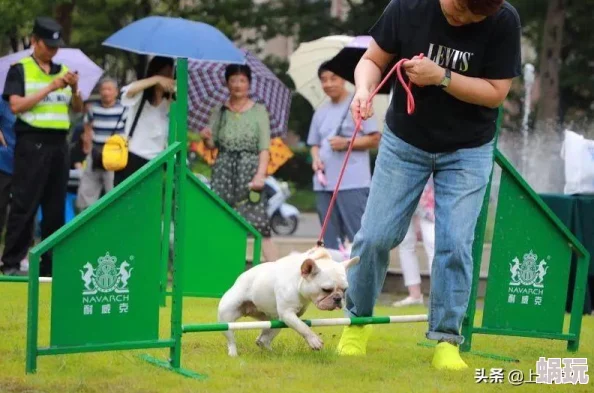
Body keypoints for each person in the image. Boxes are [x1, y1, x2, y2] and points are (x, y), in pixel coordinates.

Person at [335, 0, 521, 370]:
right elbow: (372, 61)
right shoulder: (408, 6)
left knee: (454, 244)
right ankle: (357, 322)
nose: (463, 20)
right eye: (460, 10)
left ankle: (447, 339)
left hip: (468, 149)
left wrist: (442, 77)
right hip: (405, 142)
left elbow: (497, 92)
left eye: (474, 18)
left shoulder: (503, 20)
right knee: (374, 237)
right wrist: (362, 90)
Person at [0, 17, 83, 277]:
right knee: (25, 204)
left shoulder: (64, 70)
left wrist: (75, 88)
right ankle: (12, 262)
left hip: (59, 144)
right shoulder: (20, 69)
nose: (52, 51)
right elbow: (16, 106)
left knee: (55, 208)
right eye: (48, 45)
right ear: (34, 42)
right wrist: (50, 87)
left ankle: (50, 265)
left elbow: (77, 109)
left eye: (56, 46)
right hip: (31, 142)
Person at [199, 64, 278, 262]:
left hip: (249, 169)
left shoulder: (259, 111)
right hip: (223, 168)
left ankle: (277, 270)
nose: (237, 85)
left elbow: (264, 148)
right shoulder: (220, 110)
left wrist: (260, 175)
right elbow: (212, 145)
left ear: (249, 84)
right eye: (233, 80)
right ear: (227, 83)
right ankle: (223, 264)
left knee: (258, 221)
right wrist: (206, 139)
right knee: (222, 218)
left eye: (242, 80)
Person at [307, 62, 380, 251]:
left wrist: (347, 143)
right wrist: (315, 158)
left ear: (344, 80)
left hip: (352, 183)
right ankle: (334, 279)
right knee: (328, 238)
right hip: (323, 183)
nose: (329, 84)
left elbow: (375, 139)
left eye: (333, 78)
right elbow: (314, 144)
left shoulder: (358, 104)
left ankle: (363, 279)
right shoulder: (320, 112)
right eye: (324, 80)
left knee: (358, 235)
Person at [114, 56, 174, 186]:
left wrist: (173, 96)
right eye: (165, 73)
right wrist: (156, 79)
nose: (168, 79)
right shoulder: (141, 95)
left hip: (156, 161)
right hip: (132, 156)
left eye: (171, 75)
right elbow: (128, 91)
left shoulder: (170, 102)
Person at [76, 78, 127, 210]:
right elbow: (87, 126)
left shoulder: (124, 109)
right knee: (86, 193)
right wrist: (87, 146)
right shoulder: (93, 108)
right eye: (103, 89)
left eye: (109, 89)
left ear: (116, 92)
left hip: (115, 156)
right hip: (96, 154)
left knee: (114, 192)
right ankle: (85, 220)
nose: (105, 92)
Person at [393, 177, 435, 307]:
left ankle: (439, 295)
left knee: (433, 244)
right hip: (403, 187)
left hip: (428, 190)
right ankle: (414, 294)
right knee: (405, 243)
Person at [0, 99, 16, 240]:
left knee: (23, 210)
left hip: (27, 163)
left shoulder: (32, 98)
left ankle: (21, 252)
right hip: (3, 162)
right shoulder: (2, 101)